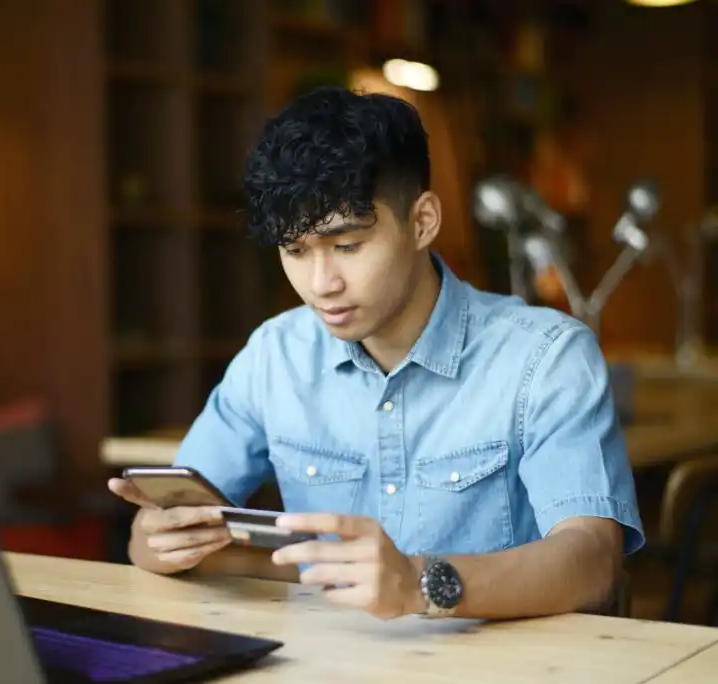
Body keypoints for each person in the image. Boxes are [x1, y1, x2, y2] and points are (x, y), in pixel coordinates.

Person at [108, 85, 644, 621]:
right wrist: (159, 541)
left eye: (347, 246)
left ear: (423, 222)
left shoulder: (546, 358)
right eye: (295, 251)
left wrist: (418, 584)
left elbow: (593, 562)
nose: (321, 284)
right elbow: (151, 535)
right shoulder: (275, 356)